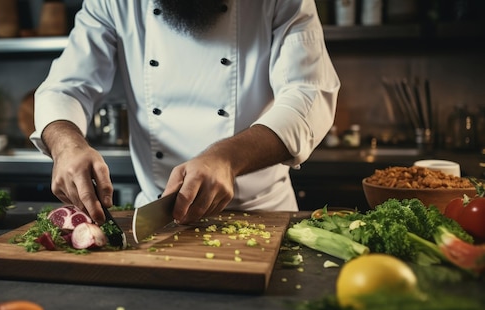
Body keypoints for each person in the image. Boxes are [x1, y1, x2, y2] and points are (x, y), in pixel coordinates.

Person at [31, 0, 340, 226]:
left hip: (262, 214)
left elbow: (309, 94)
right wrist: (66, 144)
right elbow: (66, 87)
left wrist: (227, 158)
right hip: (157, 218)